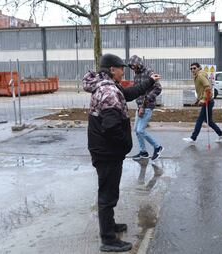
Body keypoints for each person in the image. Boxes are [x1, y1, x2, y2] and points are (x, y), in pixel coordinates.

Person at [83, 53, 160, 252]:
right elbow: (110, 127)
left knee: (110, 191)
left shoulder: (109, 87)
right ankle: (108, 239)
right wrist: (125, 144)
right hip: (107, 152)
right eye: (120, 68)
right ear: (112, 69)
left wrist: (149, 82)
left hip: (104, 150)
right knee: (107, 194)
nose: (123, 71)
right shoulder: (108, 92)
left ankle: (110, 225)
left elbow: (128, 94)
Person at [128, 55, 164, 161]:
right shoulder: (136, 75)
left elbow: (158, 88)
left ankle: (158, 147)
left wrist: (146, 101)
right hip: (139, 106)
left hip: (147, 105)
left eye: (134, 65)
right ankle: (143, 152)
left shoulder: (149, 72)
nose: (133, 68)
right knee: (136, 130)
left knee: (140, 130)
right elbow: (137, 91)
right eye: (131, 66)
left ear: (139, 63)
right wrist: (139, 106)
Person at [182, 62, 222, 144]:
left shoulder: (200, 76)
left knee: (200, 120)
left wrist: (204, 99)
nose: (192, 70)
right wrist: (197, 101)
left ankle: (193, 138)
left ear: (199, 68)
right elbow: (200, 90)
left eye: (194, 68)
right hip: (208, 100)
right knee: (209, 121)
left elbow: (207, 87)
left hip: (208, 101)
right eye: (191, 69)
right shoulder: (197, 76)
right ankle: (221, 134)